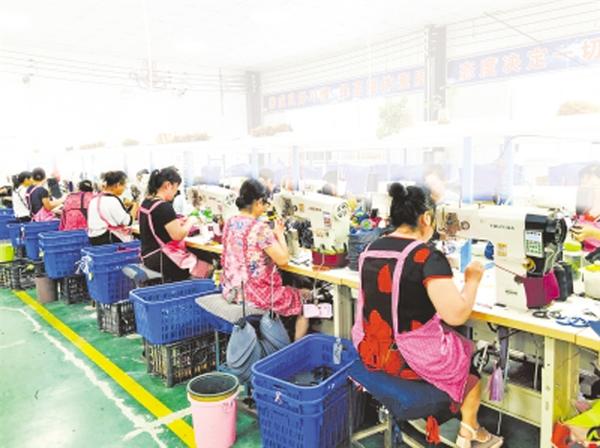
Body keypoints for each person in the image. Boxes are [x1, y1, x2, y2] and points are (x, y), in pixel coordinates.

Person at [354, 183, 503, 448]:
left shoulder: (370, 249)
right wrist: (472, 280)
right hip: (406, 359)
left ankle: (466, 427)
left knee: (453, 341)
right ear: (426, 218)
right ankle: (469, 430)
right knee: (468, 363)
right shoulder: (426, 257)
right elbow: (456, 314)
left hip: (372, 351)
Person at [220, 179, 310, 340]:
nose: (266, 208)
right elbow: (283, 260)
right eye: (265, 203)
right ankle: (294, 350)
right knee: (306, 300)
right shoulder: (260, 229)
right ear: (258, 202)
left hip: (232, 291)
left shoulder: (230, 222)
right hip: (256, 297)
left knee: (293, 289)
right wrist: (279, 234)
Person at [139, 167, 209, 283]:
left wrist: (177, 222)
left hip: (148, 257)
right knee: (205, 264)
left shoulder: (147, 202)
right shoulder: (164, 207)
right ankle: (192, 291)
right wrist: (191, 220)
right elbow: (178, 235)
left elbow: (158, 224)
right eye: (176, 188)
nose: (176, 192)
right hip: (161, 260)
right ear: (168, 185)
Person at [87, 171, 137, 245]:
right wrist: (135, 205)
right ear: (117, 185)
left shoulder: (94, 200)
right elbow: (128, 222)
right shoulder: (113, 200)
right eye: (124, 186)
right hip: (107, 239)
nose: (124, 188)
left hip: (94, 238)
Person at [572, 164, 600, 251]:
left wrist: (594, 233)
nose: (587, 189)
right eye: (583, 184)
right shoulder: (582, 210)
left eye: (594, 186)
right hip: (583, 256)